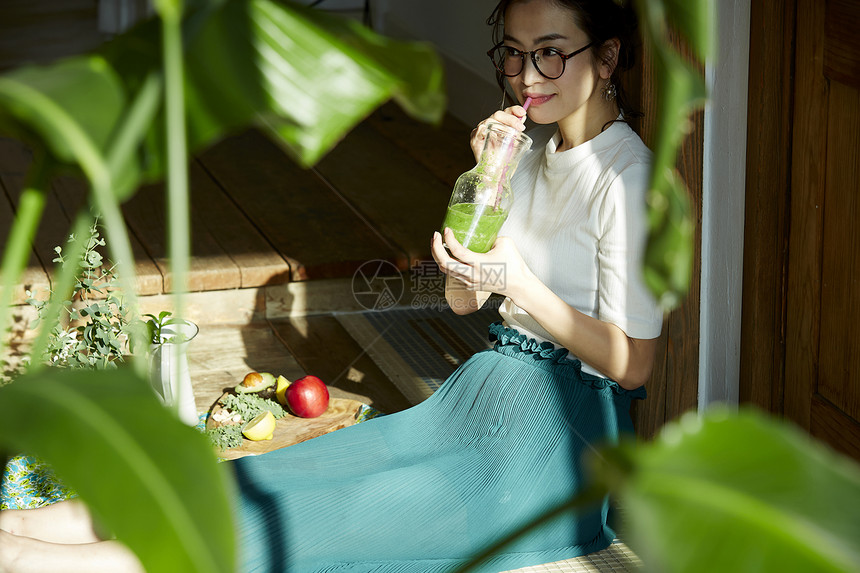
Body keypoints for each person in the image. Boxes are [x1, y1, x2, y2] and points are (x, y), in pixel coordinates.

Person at [0, 1, 661, 571]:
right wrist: (486, 182)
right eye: (513, 55)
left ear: (606, 57)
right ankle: (42, 529)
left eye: (551, 54)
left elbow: (633, 364)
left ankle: (64, 563)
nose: (525, 77)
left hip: (557, 446)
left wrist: (518, 279)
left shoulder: (626, 175)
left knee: (329, 513)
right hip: (481, 398)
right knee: (282, 474)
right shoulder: (528, 151)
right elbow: (468, 300)